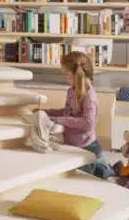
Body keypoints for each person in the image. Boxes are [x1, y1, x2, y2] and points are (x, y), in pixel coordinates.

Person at [40, 51, 113, 179]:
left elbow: (87, 123)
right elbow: (67, 112)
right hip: (74, 144)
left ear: (77, 75)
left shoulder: (90, 97)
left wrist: (58, 120)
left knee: (86, 181)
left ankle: (108, 170)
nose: (65, 78)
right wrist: (47, 112)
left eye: (67, 74)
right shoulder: (72, 91)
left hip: (87, 147)